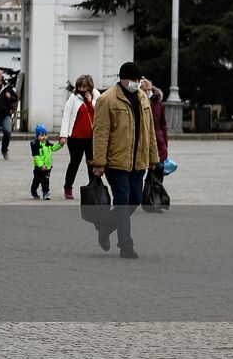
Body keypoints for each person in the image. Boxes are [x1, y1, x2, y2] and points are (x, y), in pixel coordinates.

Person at [92, 61, 159, 259]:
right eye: (134, 80)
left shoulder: (142, 98)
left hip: (138, 161)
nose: (137, 83)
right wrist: (99, 161)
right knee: (122, 199)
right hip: (116, 161)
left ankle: (105, 228)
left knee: (134, 200)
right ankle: (126, 245)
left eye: (139, 80)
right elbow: (101, 133)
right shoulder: (107, 99)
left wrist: (153, 157)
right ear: (123, 79)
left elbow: (150, 130)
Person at [58, 74, 98, 199]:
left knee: (92, 163)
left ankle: (93, 187)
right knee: (74, 162)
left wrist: (90, 102)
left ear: (90, 86)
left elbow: (98, 113)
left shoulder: (97, 96)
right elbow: (66, 116)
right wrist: (63, 135)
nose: (82, 89)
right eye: (80, 86)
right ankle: (68, 187)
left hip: (91, 137)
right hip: (75, 137)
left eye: (85, 86)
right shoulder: (73, 98)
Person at [29, 124, 64, 200]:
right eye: (41, 135)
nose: (44, 137)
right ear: (37, 136)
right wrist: (41, 165)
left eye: (45, 135)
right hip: (39, 168)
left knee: (45, 181)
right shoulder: (36, 145)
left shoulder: (47, 144)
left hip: (47, 167)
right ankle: (33, 190)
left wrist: (60, 144)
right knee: (37, 180)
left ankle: (46, 193)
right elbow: (36, 157)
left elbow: (54, 148)